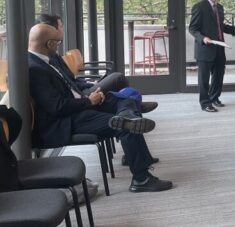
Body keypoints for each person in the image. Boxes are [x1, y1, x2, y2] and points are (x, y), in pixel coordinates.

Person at [27, 24, 172, 192]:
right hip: (67, 121)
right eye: (58, 43)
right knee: (125, 125)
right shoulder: (35, 68)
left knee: (124, 100)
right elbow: (56, 107)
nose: (58, 46)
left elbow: (71, 83)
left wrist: (90, 94)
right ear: (49, 44)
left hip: (80, 105)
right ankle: (141, 178)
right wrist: (89, 102)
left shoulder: (47, 60)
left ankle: (128, 115)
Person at [37, 14, 155, 112]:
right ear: (53, 29)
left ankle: (131, 106)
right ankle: (134, 106)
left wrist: (90, 83)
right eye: (61, 26)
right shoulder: (47, 60)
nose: (63, 29)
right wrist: (89, 89)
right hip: (81, 95)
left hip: (81, 89)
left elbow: (71, 79)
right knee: (118, 78)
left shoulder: (53, 55)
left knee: (117, 82)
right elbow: (66, 89)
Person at [189, 0, 235, 112]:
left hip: (220, 47)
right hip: (205, 48)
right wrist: (203, 38)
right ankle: (205, 103)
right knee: (204, 78)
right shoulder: (199, 7)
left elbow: (220, 26)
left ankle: (214, 98)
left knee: (218, 75)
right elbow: (193, 28)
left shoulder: (219, 8)